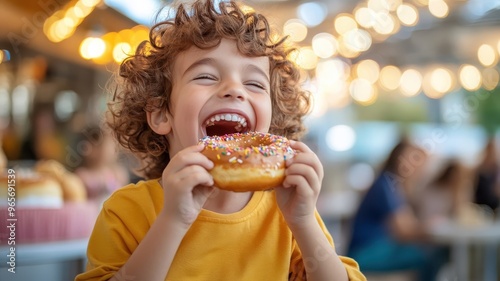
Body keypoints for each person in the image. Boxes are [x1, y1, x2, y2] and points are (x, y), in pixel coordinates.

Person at [75, 1, 365, 280]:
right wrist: (174, 220)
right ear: (162, 114)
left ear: (272, 122)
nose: (235, 90)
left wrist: (303, 223)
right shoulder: (128, 210)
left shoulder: (287, 212)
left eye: (253, 83)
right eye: (205, 76)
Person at [347, 139, 446, 281]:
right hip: (364, 253)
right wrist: (430, 227)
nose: (420, 167)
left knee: (431, 253)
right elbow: (403, 232)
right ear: (399, 160)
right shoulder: (386, 185)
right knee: (430, 256)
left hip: (377, 248)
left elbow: (407, 226)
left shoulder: (392, 185)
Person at [74, 125, 130, 203]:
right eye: (106, 145)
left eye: (114, 145)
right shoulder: (82, 176)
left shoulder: (118, 174)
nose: (112, 150)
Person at [416, 160, 473, 225]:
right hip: (427, 224)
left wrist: (456, 193)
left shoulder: (456, 191)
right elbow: (425, 211)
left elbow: (460, 214)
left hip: (442, 226)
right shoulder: (431, 188)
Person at [473, 138, 500, 212]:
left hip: (493, 204)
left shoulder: (496, 169)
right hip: (478, 203)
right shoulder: (478, 168)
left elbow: (497, 189)